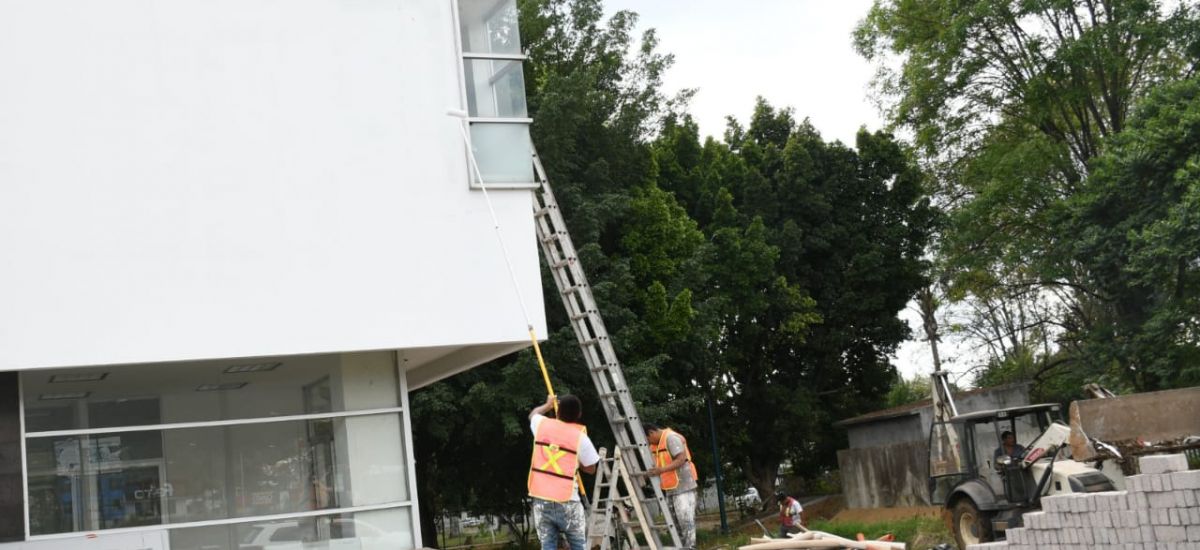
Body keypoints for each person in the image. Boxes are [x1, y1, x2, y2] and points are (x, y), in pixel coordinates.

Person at [528, 394, 599, 550]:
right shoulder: (580, 438)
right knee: (579, 545)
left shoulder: (542, 425)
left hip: (541, 499)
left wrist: (547, 405)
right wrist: (574, 460)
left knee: (548, 546)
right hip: (568, 500)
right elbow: (591, 469)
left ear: (558, 410)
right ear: (579, 415)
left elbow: (533, 415)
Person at [641, 423, 698, 550]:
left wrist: (661, 470)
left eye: (648, 438)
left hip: (684, 487)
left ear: (651, 432)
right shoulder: (655, 445)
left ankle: (690, 548)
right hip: (671, 489)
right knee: (675, 525)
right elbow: (656, 466)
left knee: (686, 523)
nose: (648, 442)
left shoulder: (671, 438)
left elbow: (681, 458)